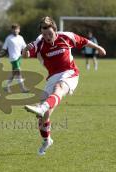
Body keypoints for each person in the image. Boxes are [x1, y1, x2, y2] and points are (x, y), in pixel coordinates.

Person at [23, 16, 106, 155]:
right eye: (44, 34)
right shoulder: (39, 42)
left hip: (70, 73)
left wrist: (98, 47)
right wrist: (25, 49)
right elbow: (25, 56)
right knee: (44, 117)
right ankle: (47, 140)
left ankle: (42, 107)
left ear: (55, 30)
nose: (47, 37)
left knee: (59, 89)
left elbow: (84, 41)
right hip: (52, 77)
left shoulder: (66, 36)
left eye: (49, 33)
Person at [2, 23, 29, 93]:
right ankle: (23, 88)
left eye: (16, 29)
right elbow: (4, 48)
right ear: (11, 30)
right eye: (14, 29)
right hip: (13, 58)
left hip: (19, 58)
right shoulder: (8, 38)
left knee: (13, 73)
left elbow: (25, 47)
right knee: (18, 72)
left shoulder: (21, 38)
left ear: (19, 30)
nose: (15, 31)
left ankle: (6, 86)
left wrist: (27, 52)